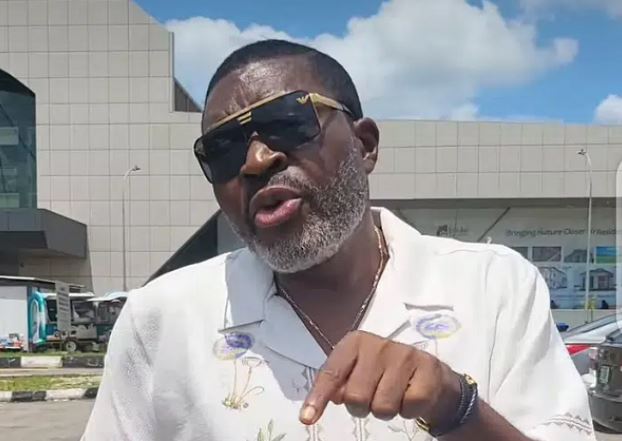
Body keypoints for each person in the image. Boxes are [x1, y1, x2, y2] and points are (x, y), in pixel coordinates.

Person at [83, 40, 595, 441]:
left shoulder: (494, 286)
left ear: (364, 145)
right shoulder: (162, 318)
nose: (256, 160)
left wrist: (456, 407)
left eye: (287, 123)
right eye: (223, 149)